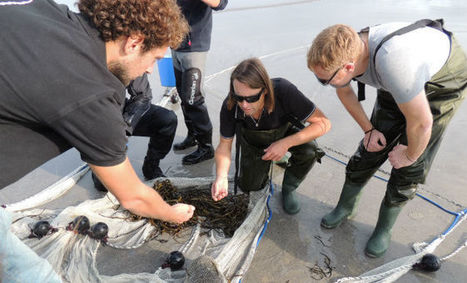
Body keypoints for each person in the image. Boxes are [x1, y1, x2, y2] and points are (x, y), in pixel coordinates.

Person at [0, 0, 195, 224]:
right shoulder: (92, 96)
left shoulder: (48, 9)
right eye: (155, 58)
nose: (150, 69)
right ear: (134, 42)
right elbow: (134, 198)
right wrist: (171, 213)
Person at [307, 19, 467, 257]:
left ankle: (384, 228)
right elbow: (344, 91)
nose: (322, 83)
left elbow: (422, 123)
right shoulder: (347, 52)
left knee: (409, 166)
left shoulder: (393, 63)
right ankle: (345, 206)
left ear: (349, 68)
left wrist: (409, 153)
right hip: (398, 79)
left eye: (324, 80)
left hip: (442, 84)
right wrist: (369, 130)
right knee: (369, 150)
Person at [211, 58, 331, 214]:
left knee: (310, 151)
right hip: (253, 140)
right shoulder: (231, 105)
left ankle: (289, 188)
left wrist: (286, 143)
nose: (244, 105)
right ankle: (273, 158)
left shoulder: (284, 91)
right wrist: (221, 177)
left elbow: (323, 123)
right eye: (239, 97)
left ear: (265, 90)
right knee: (249, 187)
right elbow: (224, 146)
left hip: (284, 131)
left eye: (252, 98)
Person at [91, 73, 178, 191]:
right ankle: (100, 169)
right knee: (104, 186)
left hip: (120, 109)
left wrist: (126, 125)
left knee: (167, 120)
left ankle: (151, 166)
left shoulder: (132, 58)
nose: (150, 70)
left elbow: (143, 96)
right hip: (94, 116)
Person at [171, 0, 228, 165]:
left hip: (194, 46)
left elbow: (220, 3)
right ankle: (193, 136)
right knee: (183, 95)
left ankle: (206, 147)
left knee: (193, 98)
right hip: (175, 45)